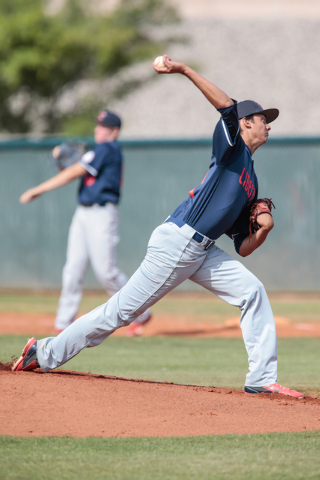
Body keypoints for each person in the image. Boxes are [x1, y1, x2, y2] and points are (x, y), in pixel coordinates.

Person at [13, 56, 303, 399]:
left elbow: (242, 245)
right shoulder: (231, 149)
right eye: (262, 119)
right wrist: (183, 70)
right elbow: (227, 106)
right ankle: (43, 353)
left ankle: (261, 379)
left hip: (202, 250)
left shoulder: (250, 182)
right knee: (119, 312)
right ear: (245, 123)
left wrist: (263, 231)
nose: (268, 125)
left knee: (252, 291)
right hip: (179, 243)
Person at [19, 110, 151, 334]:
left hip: (102, 214)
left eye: (102, 126)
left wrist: (38, 189)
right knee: (72, 268)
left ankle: (142, 312)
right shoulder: (100, 151)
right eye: (97, 125)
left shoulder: (108, 148)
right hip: (83, 213)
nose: (97, 129)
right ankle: (62, 323)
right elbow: (75, 170)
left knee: (106, 272)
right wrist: (66, 166)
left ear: (114, 131)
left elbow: (74, 172)